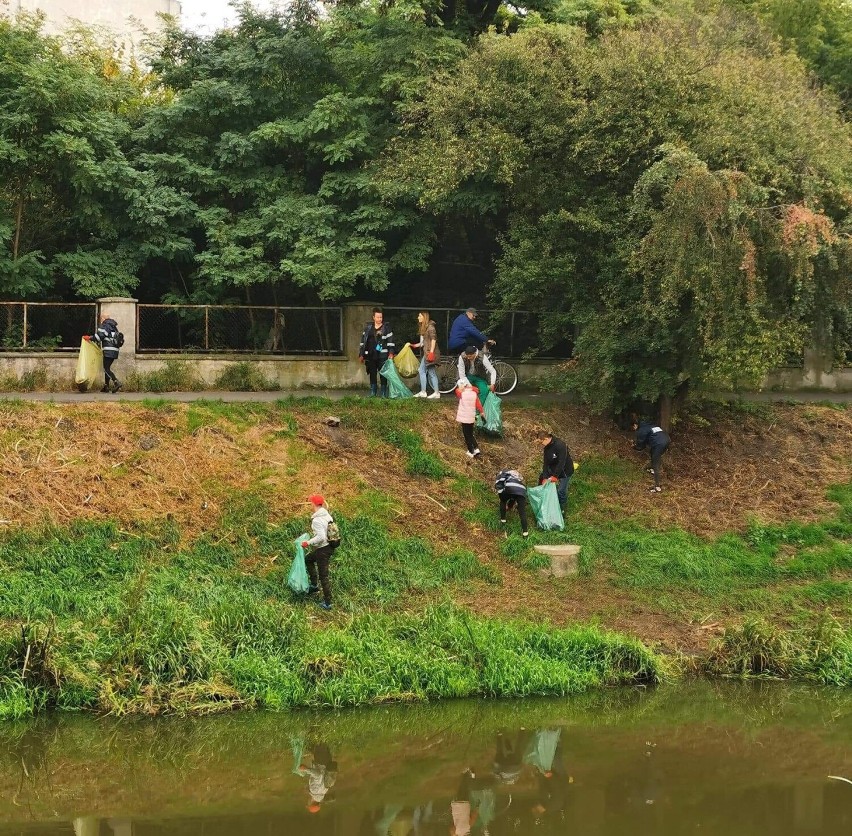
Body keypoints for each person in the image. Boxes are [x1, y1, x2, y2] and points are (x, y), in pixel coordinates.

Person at [301, 494, 336, 610]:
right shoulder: (327, 515)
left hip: (323, 550)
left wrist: (308, 542)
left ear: (314, 504)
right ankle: (314, 585)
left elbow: (321, 537)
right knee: (308, 559)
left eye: (311, 503)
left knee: (324, 575)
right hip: (329, 547)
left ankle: (327, 602)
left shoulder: (316, 520)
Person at [358, 307, 395, 397]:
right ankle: (373, 392)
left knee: (383, 374)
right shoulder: (368, 328)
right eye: (378, 317)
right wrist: (361, 354)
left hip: (383, 355)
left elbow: (391, 341)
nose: (379, 319)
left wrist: (391, 353)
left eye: (381, 317)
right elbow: (363, 342)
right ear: (373, 317)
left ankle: (383, 393)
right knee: (372, 373)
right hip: (370, 355)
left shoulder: (386, 328)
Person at [83, 313, 122, 393]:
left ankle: (116, 382)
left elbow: (99, 336)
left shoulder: (105, 325)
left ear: (103, 318)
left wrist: (89, 338)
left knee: (106, 368)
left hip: (108, 350)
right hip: (114, 350)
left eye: (101, 319)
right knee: (106, 368)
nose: (100, 321)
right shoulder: (113, 326)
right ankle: (106, 386)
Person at [297, 742, 338, 815]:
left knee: (321, 742)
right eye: (308, 804)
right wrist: (306, 769)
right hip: (321, 761)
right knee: (320, 740)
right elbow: (318, 775)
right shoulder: (314, 791)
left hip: (326, 762)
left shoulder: (322, 793)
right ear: (311, 803)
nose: (307, 802)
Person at [536, 429, 573, 508]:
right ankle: (542, 499)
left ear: (546, 439)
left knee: (561, 491)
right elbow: (546, 463)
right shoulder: (547, 448)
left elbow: (561, 462)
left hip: (565, 471)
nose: (541, 444)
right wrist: (545, 477)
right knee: (541, 478)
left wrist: (555, 476)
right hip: (553, 468)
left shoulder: (560, 445)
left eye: (541, 442)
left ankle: (562, 508)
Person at [632, 419, 670, 492]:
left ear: (635, 425)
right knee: (652, 452)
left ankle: (657, 487)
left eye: (633, 428)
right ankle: (652, 469)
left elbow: (640, 447)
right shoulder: (651, 426)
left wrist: (634, 446)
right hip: (667, 440)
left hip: (659, 443)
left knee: (656, 462)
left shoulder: (642, 430)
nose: (634, 429)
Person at [410, 311, 441, 399]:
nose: (418, 317)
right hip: (427, 353)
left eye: (419, 316)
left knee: (424, 371)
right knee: (428, 371)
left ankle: (427, 392)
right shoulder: (425, 328)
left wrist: (431, 352)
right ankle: (434, 392)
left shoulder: (430, 327)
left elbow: (433, 339)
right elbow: (423, 342)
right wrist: (413, 345)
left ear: (424, 317)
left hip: (430, 353)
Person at [455, 378, 485, 458]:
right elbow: (478, 404)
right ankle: (476, 449)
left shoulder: (461, 393)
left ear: (462, 386)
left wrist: (462, 387)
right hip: (471, 417)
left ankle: (471, 451)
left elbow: (457, 390)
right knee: (471, 434)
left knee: (466, 435)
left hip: (464, 418)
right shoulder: (474, 393)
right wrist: (482, 412)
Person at [495, 469, 529, 537]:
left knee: (503, 501)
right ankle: (525, 533)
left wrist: (501, 496)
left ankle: (503, 521)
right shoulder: (515, 474)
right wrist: (510, 506)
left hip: (510, 486)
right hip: (522, 489)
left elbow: (499, 485)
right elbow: (513, 496)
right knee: (522, 511)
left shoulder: (502, 473)